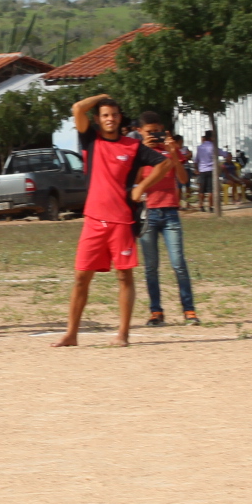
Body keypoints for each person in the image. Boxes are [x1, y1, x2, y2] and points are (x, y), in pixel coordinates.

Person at [54, 94, 177, 348]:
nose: (110, 119)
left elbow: (165, 164)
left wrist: (141, 187)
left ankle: (123, 334)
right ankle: (71, 334)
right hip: (93, 220)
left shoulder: (133, 147)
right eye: (105, 115)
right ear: (98, 119)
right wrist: (103, 97)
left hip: (122, 221)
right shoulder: (91, 139)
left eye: (114, 114)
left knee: (124, 277)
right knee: (81, 278)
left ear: (120, 118)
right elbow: (77, 108)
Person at [134, 116, 196, 327]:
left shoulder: (169, 151)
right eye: (149, 132)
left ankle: (189, 310)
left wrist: (173, 154)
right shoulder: (138, 152)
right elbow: (135, 181)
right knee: (151, 267)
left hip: (170, 212)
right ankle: (156, 311)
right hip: (148, 213)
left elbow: (184, 179)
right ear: (140, 131)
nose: (154, 136)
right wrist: (142, 151)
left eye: (157, 132)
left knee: (178, 263)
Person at [192, 131, 216, 212]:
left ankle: (201, 205)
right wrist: (227, 154)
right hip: (211, 170)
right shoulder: (213, 146)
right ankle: (210, 206)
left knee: (201, 189)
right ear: (211, 137)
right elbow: (222, 153)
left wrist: (196, 169)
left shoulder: (200, 147)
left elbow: (196, 160)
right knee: (210, 190)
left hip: (202, 170)